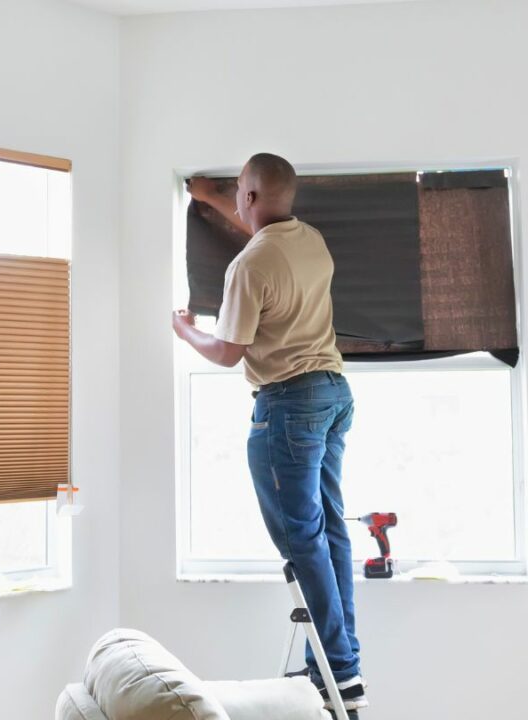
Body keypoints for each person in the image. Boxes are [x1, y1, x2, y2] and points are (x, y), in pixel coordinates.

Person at [172, 153, 366, 713]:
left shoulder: (248, 267)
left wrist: (186, 332)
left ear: (251, 197)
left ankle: (341, 671)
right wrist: (211, 198)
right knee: (330, 532)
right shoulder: (312, 241)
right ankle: (343, 661)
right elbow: (265, 241)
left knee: (302, 541)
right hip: (334, 394)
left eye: (237, 193)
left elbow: (229, 353)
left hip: (288, 405)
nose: (233, 201)